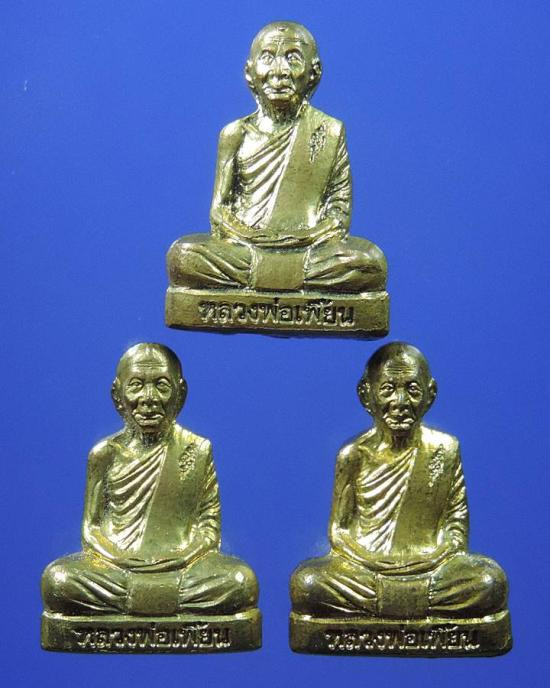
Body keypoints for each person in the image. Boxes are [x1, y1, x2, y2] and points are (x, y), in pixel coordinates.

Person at [291, 342, 508, 619]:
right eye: (387, 389)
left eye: (412, 390)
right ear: (366, 395)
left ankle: (389, 603)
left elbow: (456, 527)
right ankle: (405, 601)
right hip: (365, 572)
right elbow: (339, 531)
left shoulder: (445, 449)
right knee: (308, 584)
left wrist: (432, 558)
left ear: (430, 395)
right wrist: (372, 561)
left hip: (431, 569)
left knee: (489, 582)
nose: (400, 402)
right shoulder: (353, 455)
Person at [167, 21, 386, 293]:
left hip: (309, 250)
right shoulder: (234, 134)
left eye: (293, 59)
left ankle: (272, 277)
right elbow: (219, 211)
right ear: (250, 73)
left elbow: (338, 211)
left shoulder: (329, 130)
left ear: (314, 73)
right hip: (245, 250)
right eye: (268, 58)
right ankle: (279, 277)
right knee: (184, 256)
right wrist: (251, 237)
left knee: (369, 263)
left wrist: (305, 237)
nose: (279, 71)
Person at [42, 343, 258, 616]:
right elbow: (92, 529)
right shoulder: (104, 454)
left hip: (182, 567)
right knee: (59, 581)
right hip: (116, 570)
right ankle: (155, 599)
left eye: (162, 386)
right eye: (136, 385)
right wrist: (120, 559)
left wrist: (183, 556)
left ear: (180, 394)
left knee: (240, 582)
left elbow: (209, 526)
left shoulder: (197, 449)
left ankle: (141, 600)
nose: (149, 398)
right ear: (117, 395)